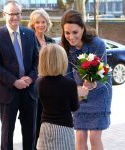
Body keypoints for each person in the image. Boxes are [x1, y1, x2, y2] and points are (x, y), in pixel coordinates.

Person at [0, 1, 39, 150]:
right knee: (7, 131)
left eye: (18, 14)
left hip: (29, 91)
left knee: (30, 130)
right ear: (5, 15)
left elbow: (37, 59)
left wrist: (31, 77)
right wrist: (14, 81)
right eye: (11, 14)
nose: (15, 17)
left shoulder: (29, 33)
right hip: (7, 91)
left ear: (21, 14)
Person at [60, 10, 112, 150]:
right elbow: (67, 77)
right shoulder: (63, 48)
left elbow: (103, 74)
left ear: (82, 28)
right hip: (78, 98)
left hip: (99, 95)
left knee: (94, 136)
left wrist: (92, 84)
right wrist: (76, 92)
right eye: (67, 33)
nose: (71, 37)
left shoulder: (97, 44)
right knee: (80, 136)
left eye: (75, 32)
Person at [36, 43, 80, 150]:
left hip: (45, 126)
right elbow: (74, 107)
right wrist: (80, 96)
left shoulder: (39, 82)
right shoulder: (69, 83)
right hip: (64, 127)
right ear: (62, 60)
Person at [28, 8, 55, 146]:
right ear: (33, 24)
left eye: (43, 22)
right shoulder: (28, 40)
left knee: (49, 126)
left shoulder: (51, 42)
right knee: (34, 126)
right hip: (34, 88)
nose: (40, 25)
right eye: (37, 22)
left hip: (50, 88)